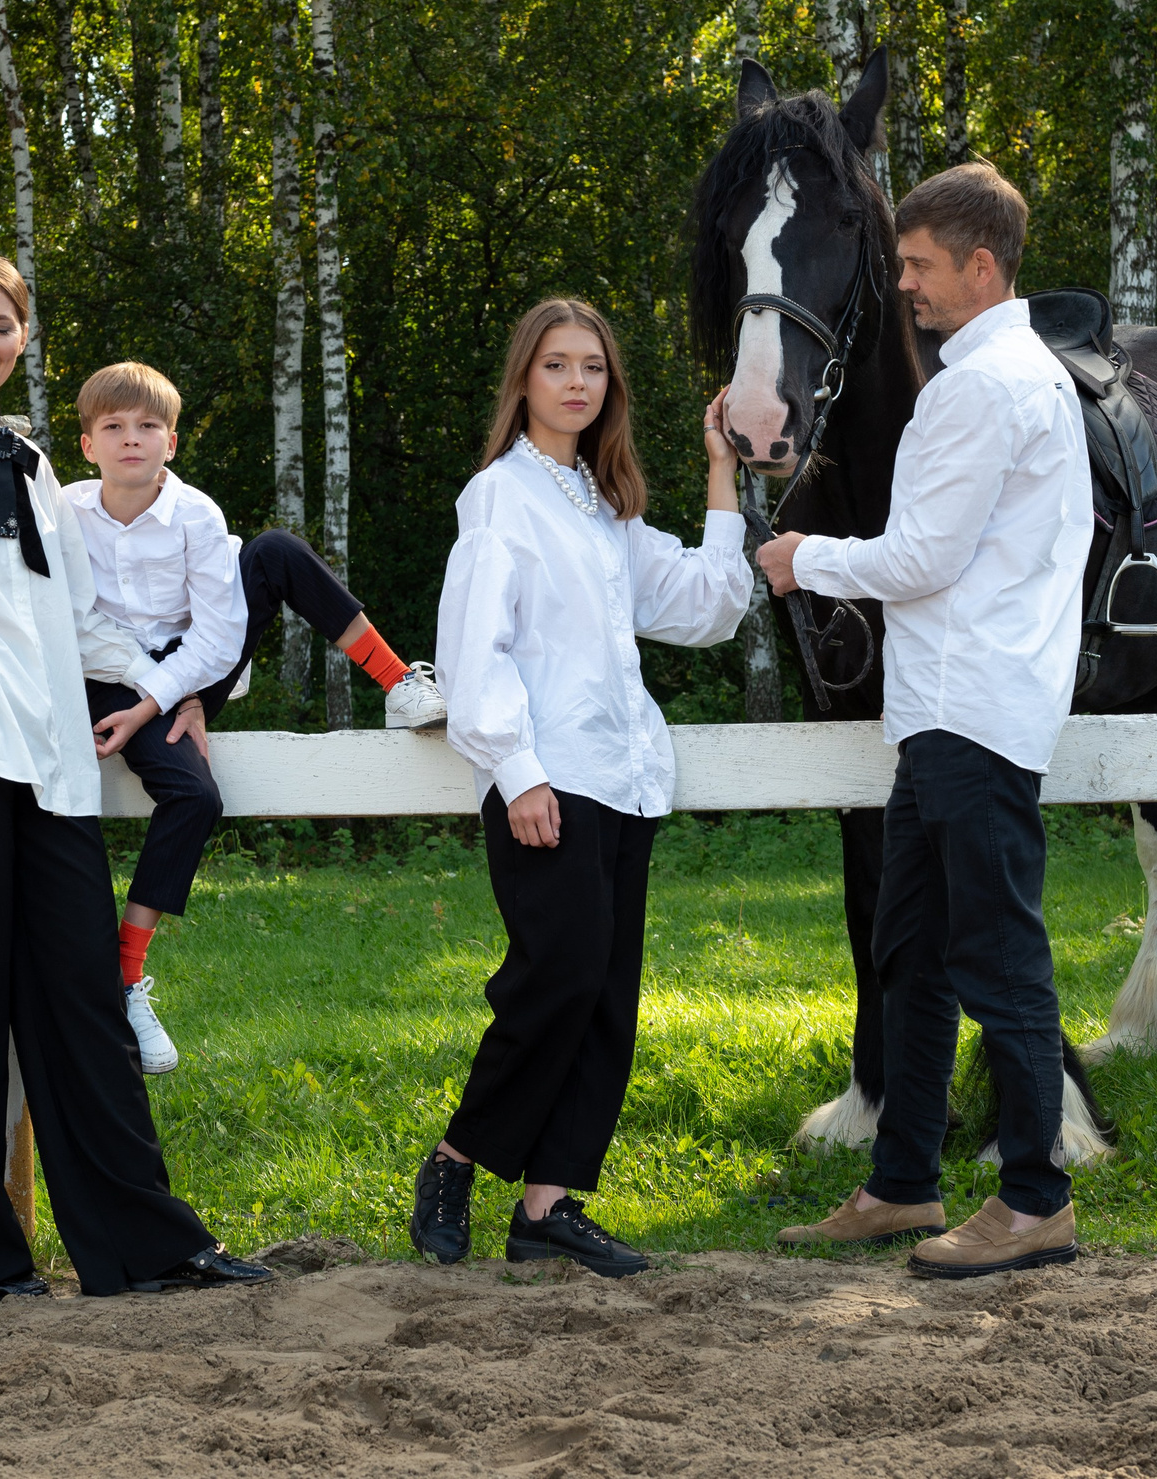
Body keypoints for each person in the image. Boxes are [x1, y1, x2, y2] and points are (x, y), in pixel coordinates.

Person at [0, 246, 269, 1302]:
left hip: (50, 762)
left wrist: (167, 687)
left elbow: (77, 618)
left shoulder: (36, 467)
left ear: (22, 337)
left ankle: (142, 1245)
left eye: (0, 325)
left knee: (83, 995)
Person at [758, 161, 1093, 1278]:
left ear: (980, 266)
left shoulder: (979, 387)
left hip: (968, 715)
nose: (902, 282)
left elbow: (920, 559)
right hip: (945, 715)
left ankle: (1036, 1199)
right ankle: (904, 1180)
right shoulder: (1011, 376)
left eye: (918, 264)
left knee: (995, 958)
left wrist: (804, 558)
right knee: (909, 952)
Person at [411, 297, 749, 1278]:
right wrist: (516, 770)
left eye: (592, 367)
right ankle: (455, 1159)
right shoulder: (499, 497)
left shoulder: (605, 507)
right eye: (556, 364)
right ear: (524, 378)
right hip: (548, 779)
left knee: (604, 996)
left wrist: (722, 471)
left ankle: (548, 1204)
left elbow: (705, 605)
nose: (575, 382)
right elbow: (473, 648)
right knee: (553, 980)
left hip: (625, 779)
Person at [62, 360, 448, 1075]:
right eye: (113, 426)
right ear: (88, 445)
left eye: (148, 425)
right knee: (195, 796)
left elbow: (216, 637)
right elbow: (72, 624)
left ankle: (397, 680)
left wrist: (172, 699)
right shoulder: (64, 512)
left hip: (192, 666)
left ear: (172, 441)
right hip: (108, 677)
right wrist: (149, 698)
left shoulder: (197, 513)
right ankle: (123, 980)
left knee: (273, 551)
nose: (131, 438)